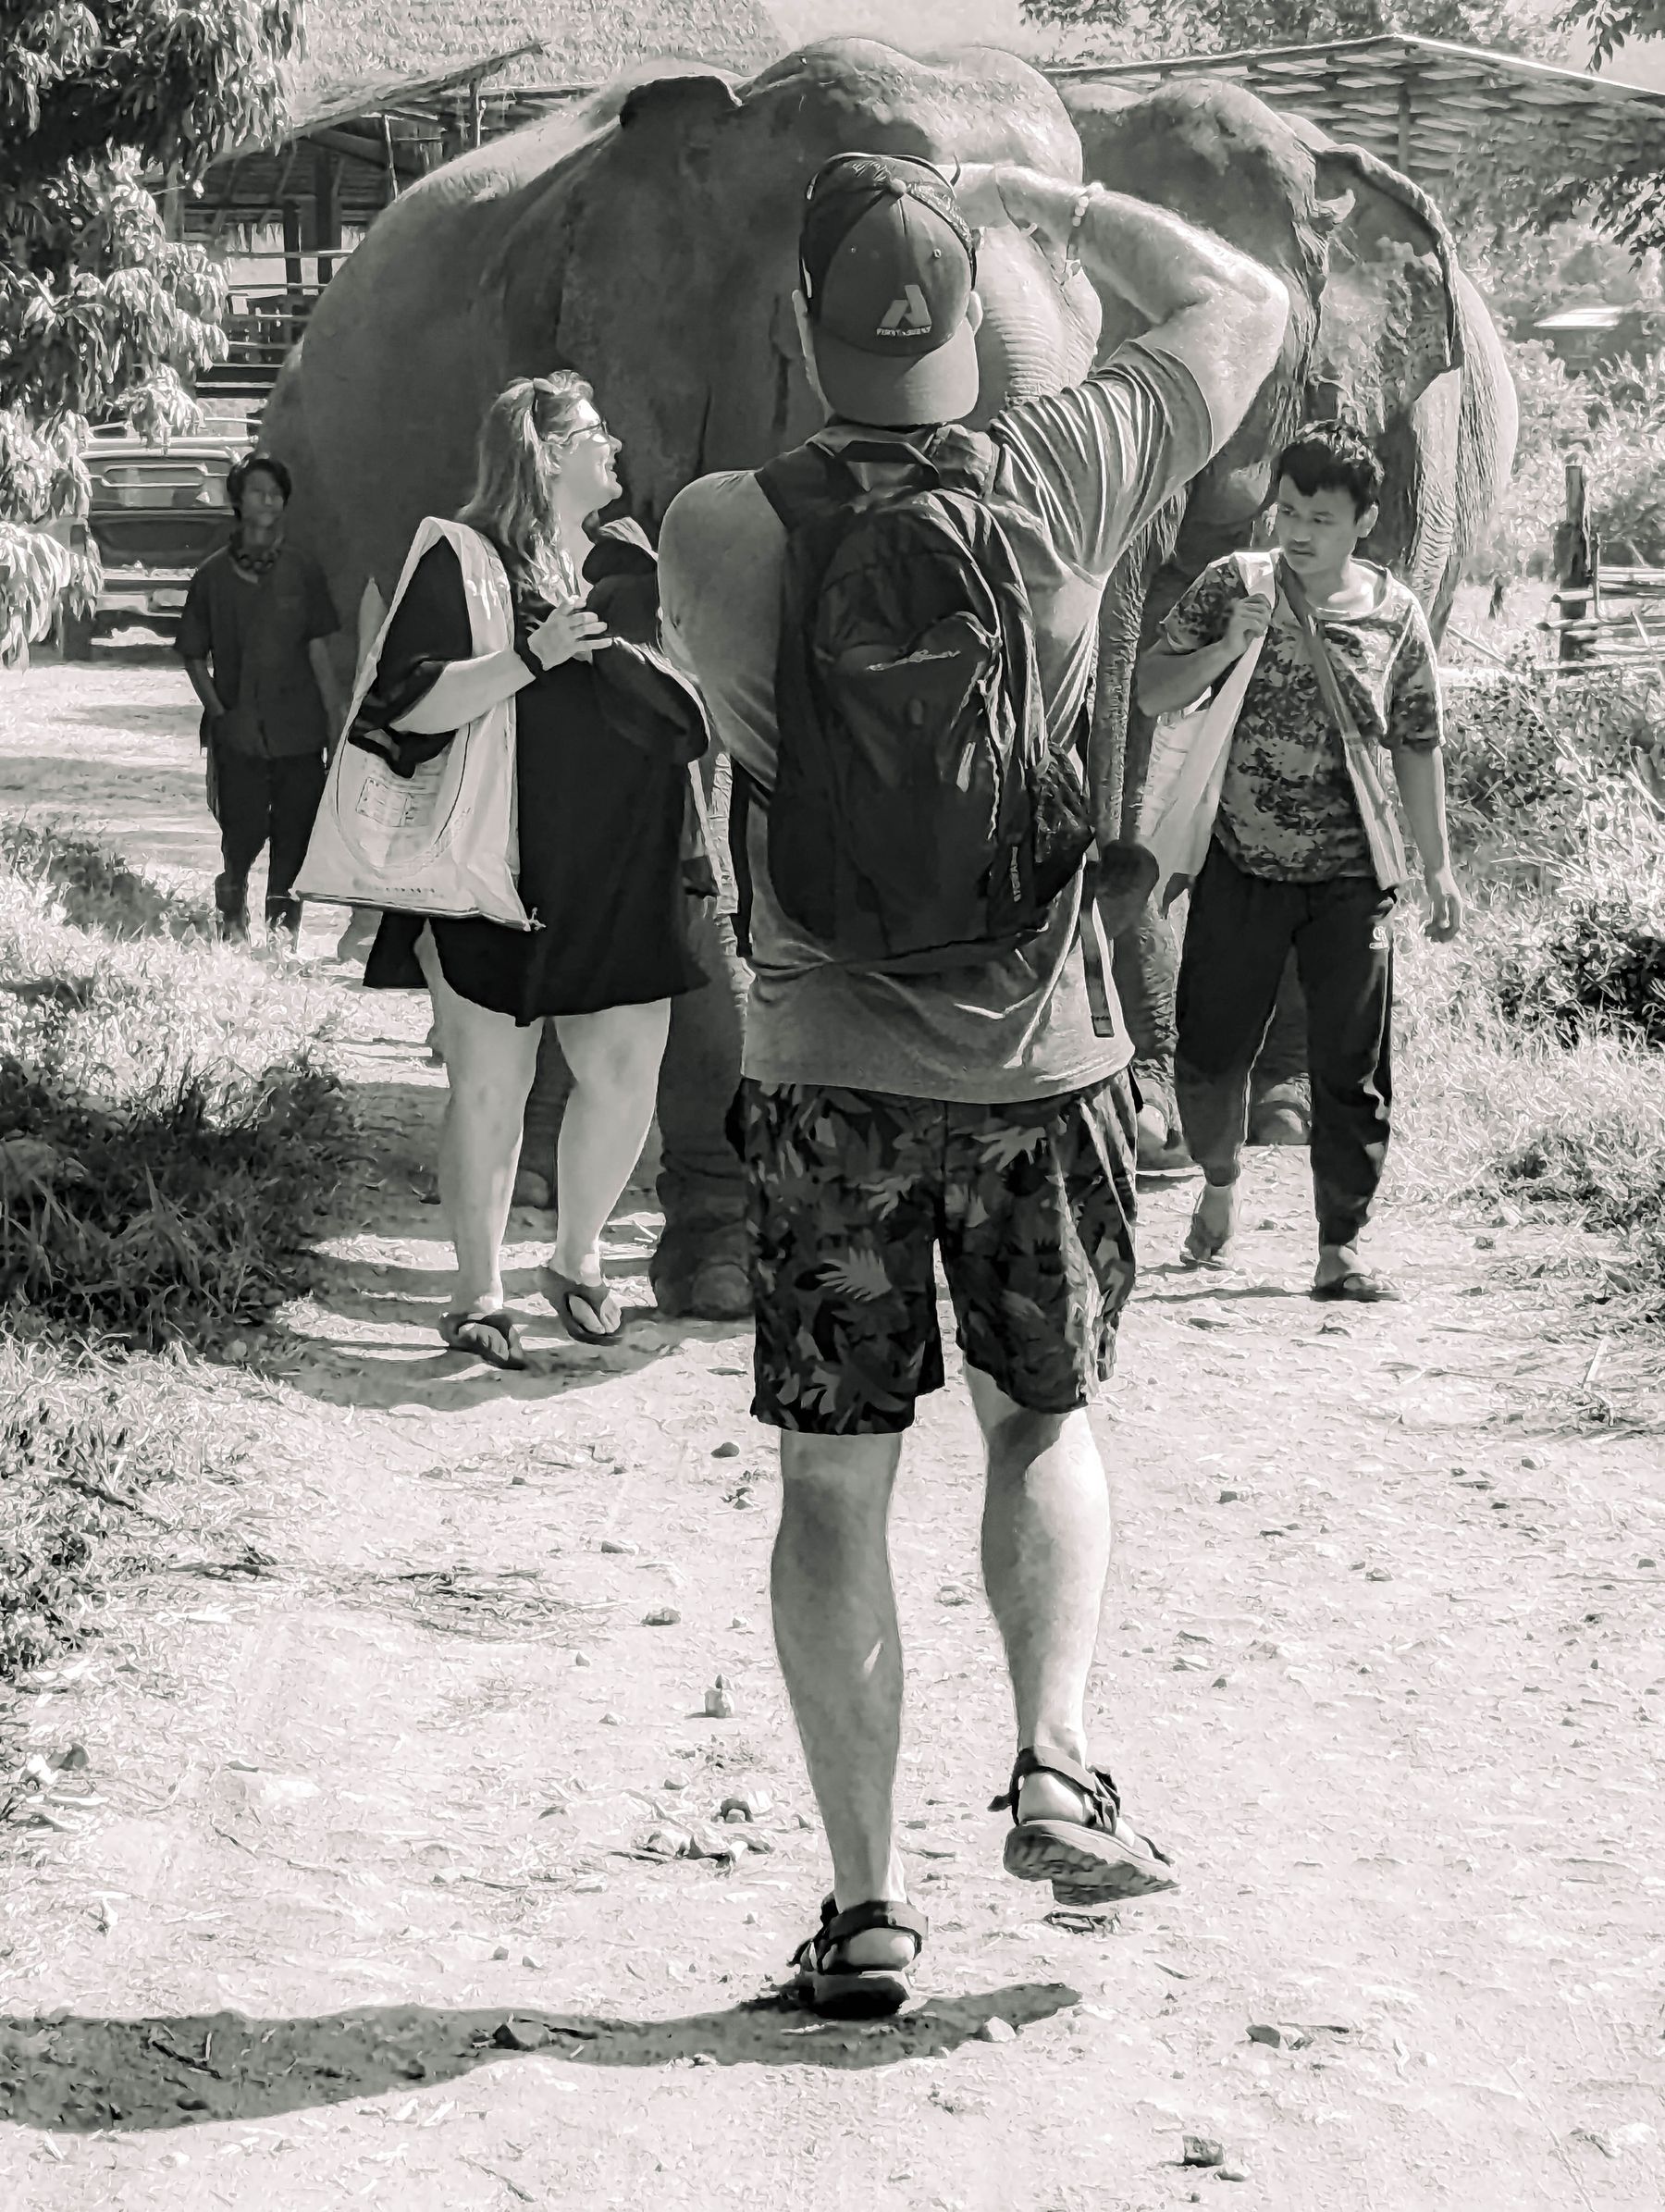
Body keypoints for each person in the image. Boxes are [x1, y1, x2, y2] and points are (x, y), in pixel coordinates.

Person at [659, 151, 1287, 2015]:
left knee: (833, 1490)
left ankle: (862, 1913)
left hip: (821, 1072)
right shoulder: (1073, 466)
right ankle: (1056, 1752)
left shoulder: (714, 528)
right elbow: (1247, 303)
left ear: (806, 329)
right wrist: (1046, 196)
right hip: (1043, 1058)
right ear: (975, 329)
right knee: (1043, 1423)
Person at [356, 375, 709, 1367]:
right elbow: (407, 707)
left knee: (627, 1072)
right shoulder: (460, 557)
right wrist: (535, 653)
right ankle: (478, 1293)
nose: (615, 448)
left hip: (625, 869)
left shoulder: (629, 554)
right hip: (495, 872)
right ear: (547, 453)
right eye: (595, 433)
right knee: (490, 1086)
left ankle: (579, 1259)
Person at [1137, 420, 1462, 1300]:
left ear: (1365, 519)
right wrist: (1225, 645)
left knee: (1351, 1066)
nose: (1298, 532)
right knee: (1207, 1054)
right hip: (1240, 866)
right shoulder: (1233, 585)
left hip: (1351, 876)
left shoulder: (1396, 616)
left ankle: (1340, 1247)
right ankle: (1220, 1182)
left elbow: (1418, 743)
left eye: (1320, 516)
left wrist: (1437, 867)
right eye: (1285, 510)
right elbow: (1151, 689)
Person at [177, 454, 344, 950]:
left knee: (295, 833)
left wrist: (335, 723)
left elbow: (319, 650)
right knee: (242, 830)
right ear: (238, 500)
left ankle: (282, 937)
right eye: (257, 491)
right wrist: (220, 712)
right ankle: (232, 912)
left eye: (276, 492)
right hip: (239, 733)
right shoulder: (211, 577)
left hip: (299, 729)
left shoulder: (303, 571)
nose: (268, 500)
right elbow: (191, 656)